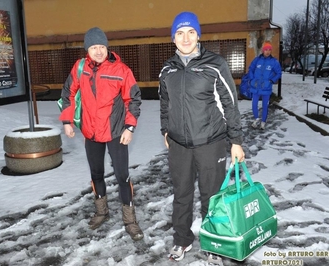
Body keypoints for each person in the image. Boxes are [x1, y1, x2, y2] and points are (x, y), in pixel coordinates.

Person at [158, 11, 245, 262]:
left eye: (191, 32)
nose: (186, 38)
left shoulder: (215, 64)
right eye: (180, 33)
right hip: (179, 146)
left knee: (212, 197)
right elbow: (165, 103)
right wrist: (165, 130)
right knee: (181, 195)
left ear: (198, 35)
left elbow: (230, 104)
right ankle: (181, 240)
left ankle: (212, 242)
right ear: (173, 38)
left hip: (211, 143)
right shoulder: (167, 70)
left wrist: (236, 141)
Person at [59, 27, 143, 241]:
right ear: (87, 49)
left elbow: (133, 99)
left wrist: (129, 127)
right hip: (91, 132)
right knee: (96, 174)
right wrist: (67, 121)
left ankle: (130, 220)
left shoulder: (121, 70)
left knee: (122, 176)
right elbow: (68, 92)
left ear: (107, 48)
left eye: (102, 47)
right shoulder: (80, 68)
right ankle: (101, 212)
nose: (98, 51)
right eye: (94, 47)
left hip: (116, 132)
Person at [248, 41, 282, 130]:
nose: (267, 51)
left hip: (266, 87)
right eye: (266, 49)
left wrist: (272, 80)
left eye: (269, 50)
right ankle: (256, 119)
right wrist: (252, 79)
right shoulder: (257, 60)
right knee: (254, 104)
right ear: (263, 50)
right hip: (256, 87)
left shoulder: (274, 62)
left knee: (265, 106)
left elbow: (278, 73)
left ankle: (263, 121)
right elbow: (251, 68)